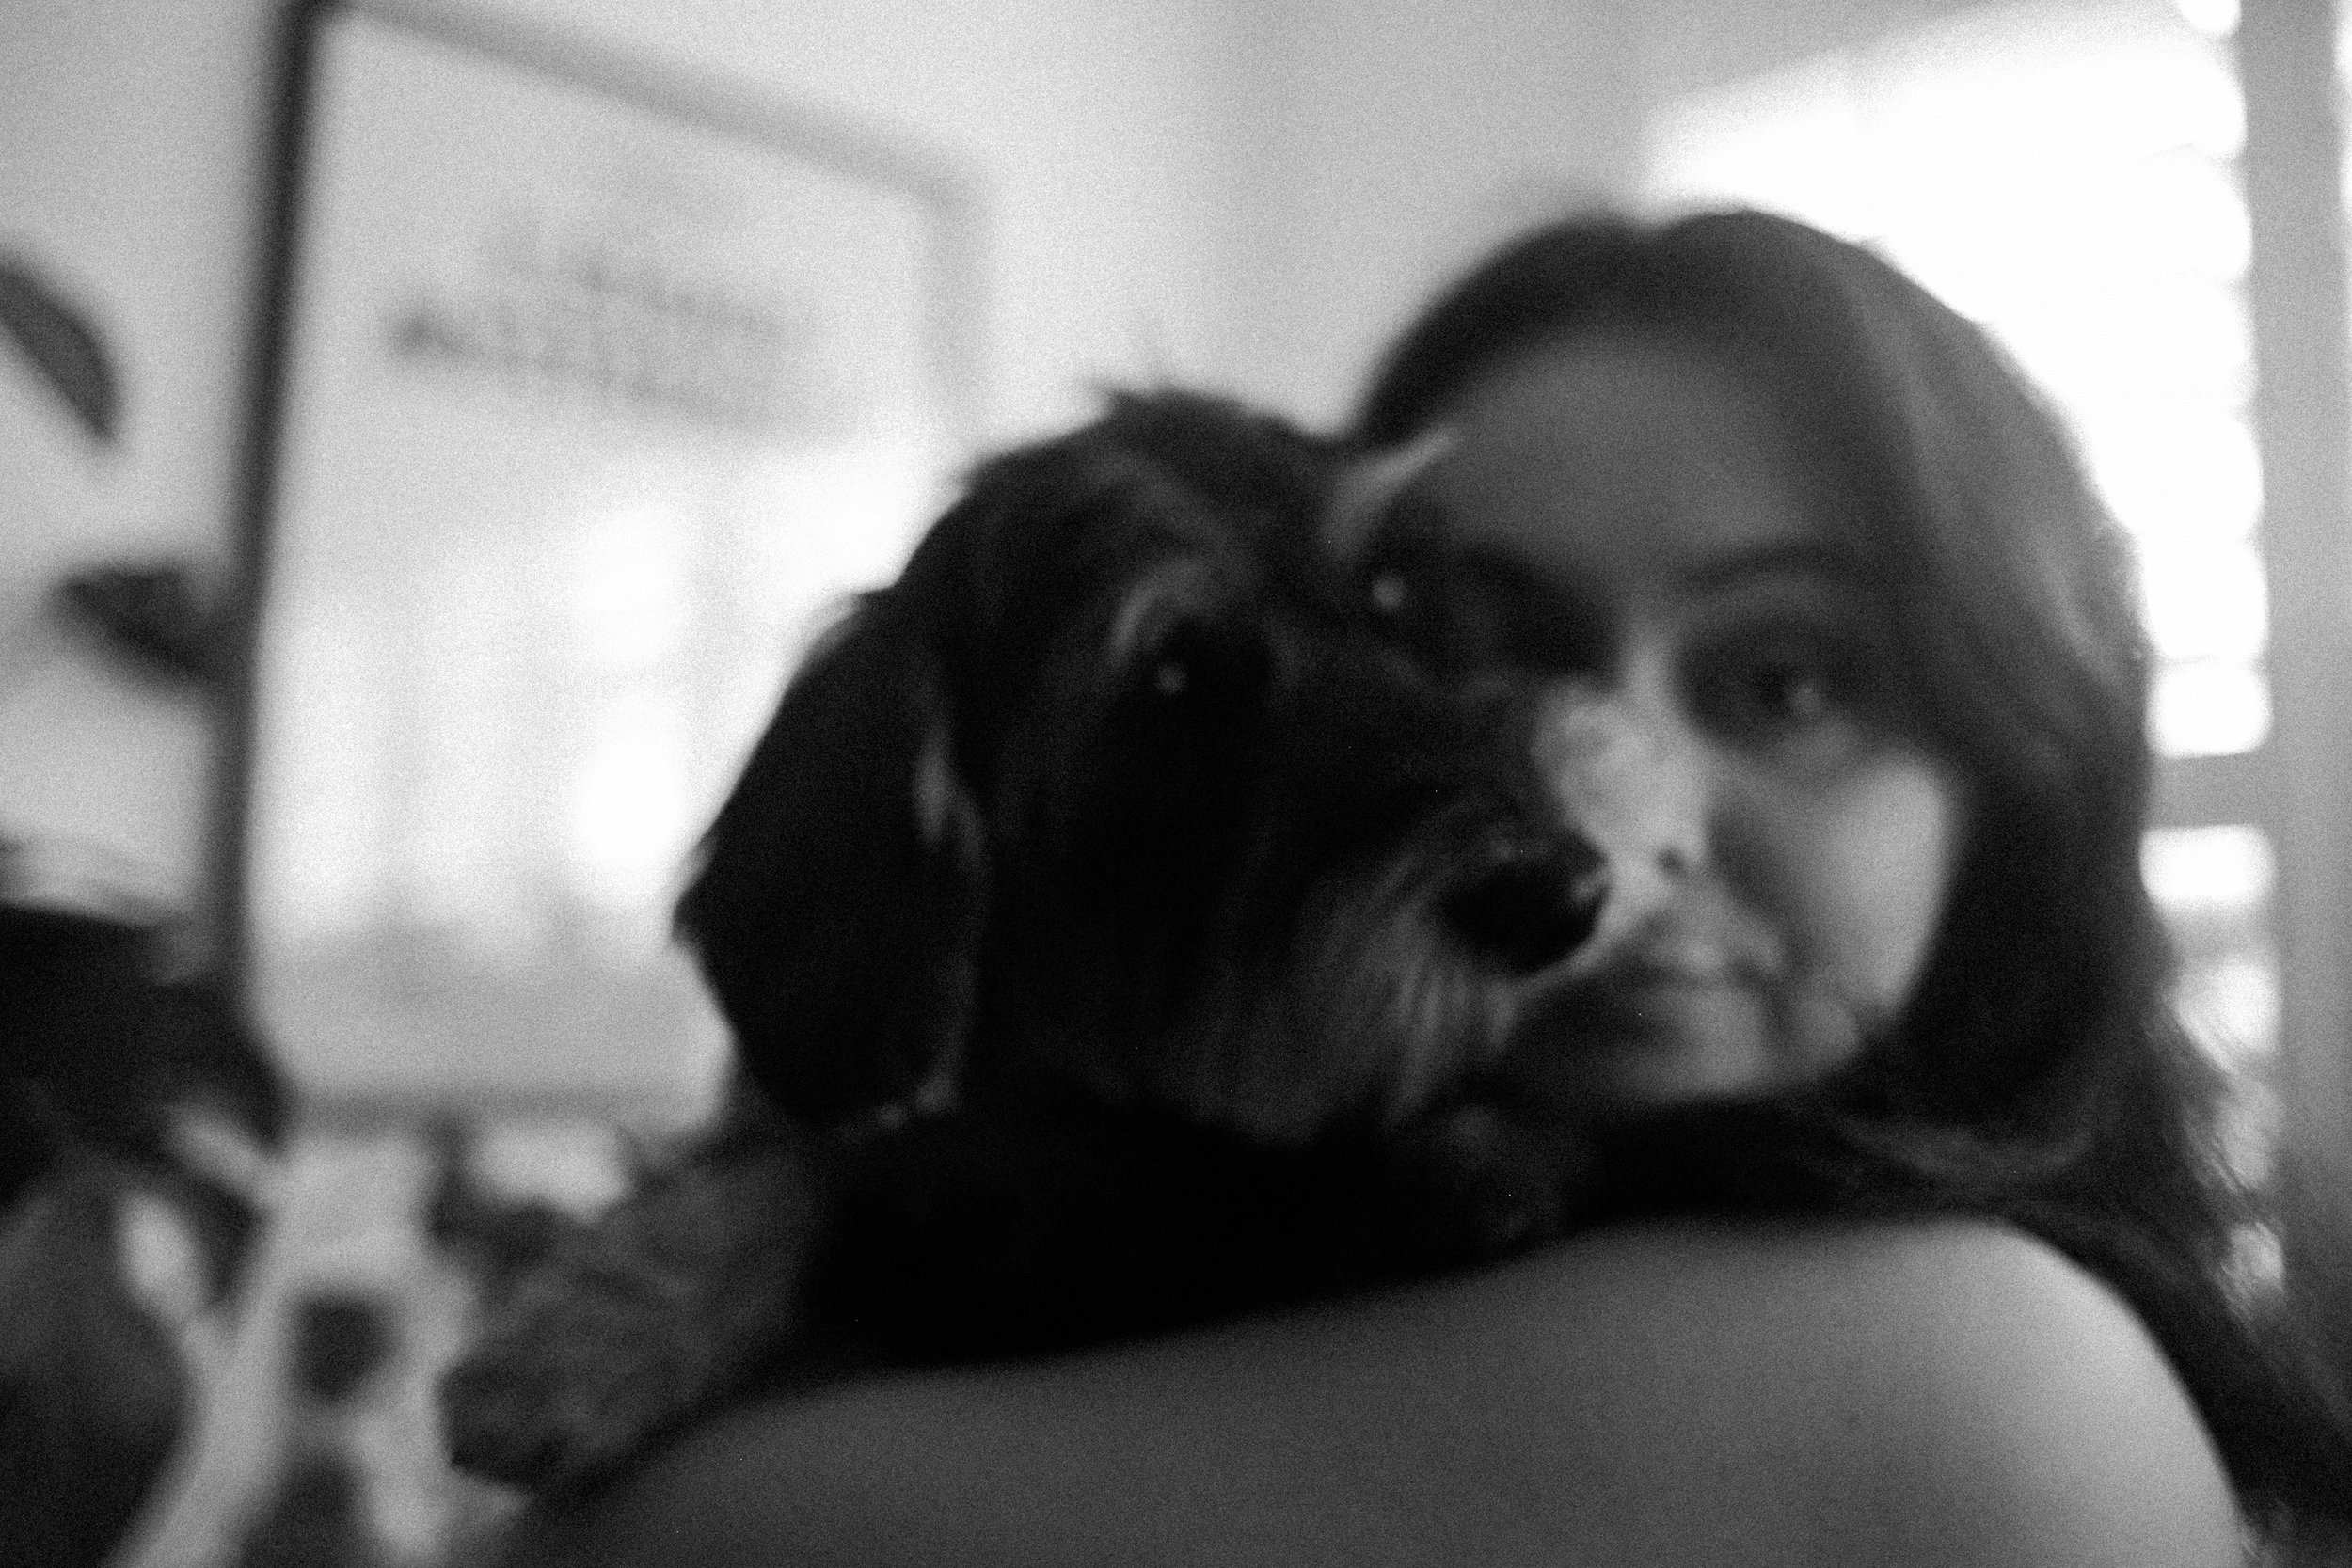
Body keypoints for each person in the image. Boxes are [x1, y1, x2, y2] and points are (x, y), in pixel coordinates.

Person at [474, 208, 2352, 1567]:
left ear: (2011, 787)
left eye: (1787, 681)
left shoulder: (1975, 1387)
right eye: (1481, 636)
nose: (1616, 814)